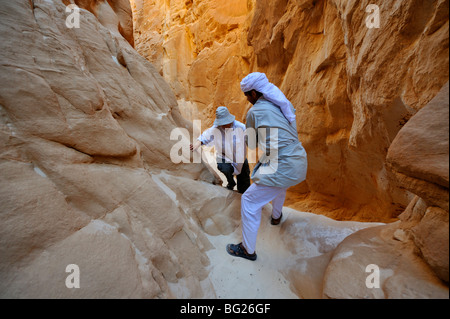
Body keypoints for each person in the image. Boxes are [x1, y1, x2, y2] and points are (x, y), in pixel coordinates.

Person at [226, 72, 308, 261]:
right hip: (298, 161)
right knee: (278, 186)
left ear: (254, 93)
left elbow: (253, 143)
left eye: (247, 95)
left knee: (249, 201)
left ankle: (247, 249)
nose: (247, 99)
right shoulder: (282, 105)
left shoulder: (255, 112)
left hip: (283, 163)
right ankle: (276, 216)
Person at [191, 106, 251, 194]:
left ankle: (243, 197)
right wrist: (195, 145)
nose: (223, 125)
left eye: (225, 122)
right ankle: (231, 183)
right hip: (224, 156)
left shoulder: (241, 127)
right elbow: (204, 137)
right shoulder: (216, 128)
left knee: (244, 185)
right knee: (224, 168)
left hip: (240, 158)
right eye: (222, 123)